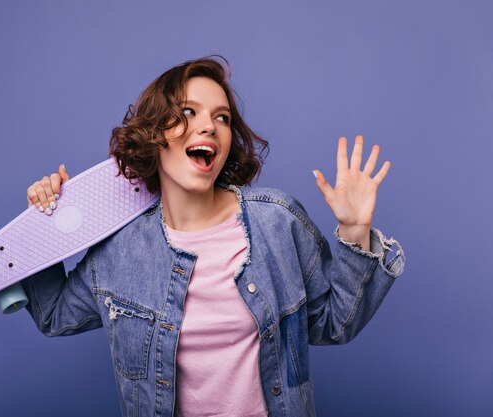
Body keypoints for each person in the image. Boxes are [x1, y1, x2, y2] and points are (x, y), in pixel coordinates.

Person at [20, 56, 405, 417]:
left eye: (222, 118)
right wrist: (45, 228)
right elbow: (54, 314)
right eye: (188, 112)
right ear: (155, 134)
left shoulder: (277, 222)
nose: (209, 126)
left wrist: (355, 232)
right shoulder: (120, 249)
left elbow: (334, 324)